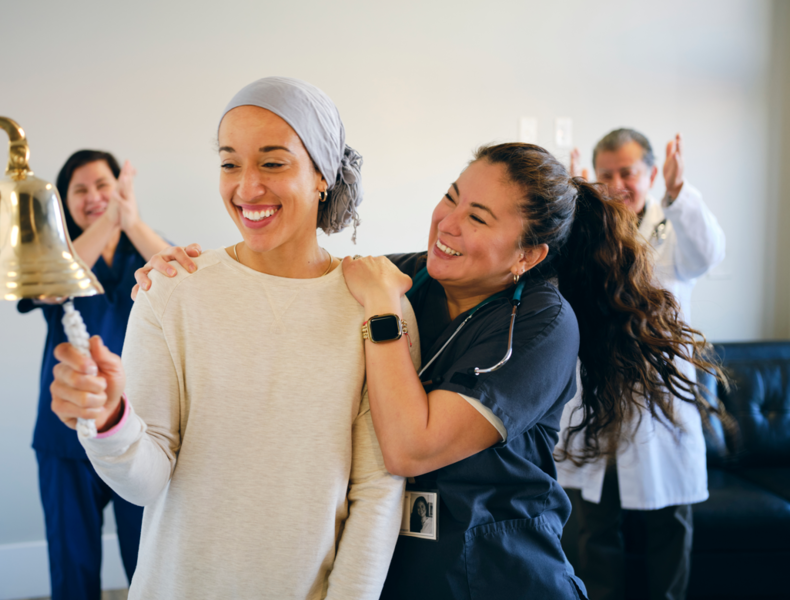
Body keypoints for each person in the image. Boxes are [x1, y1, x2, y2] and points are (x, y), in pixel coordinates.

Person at [137, 142, 719, 599]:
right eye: (451, 195)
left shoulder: (543, 324)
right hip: (403, 569)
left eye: (479, 217)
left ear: (527, 256)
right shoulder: (411, 275)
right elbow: (294, 279)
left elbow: (410, 447)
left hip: (498, 574)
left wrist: (385, 313)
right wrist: (182, 270)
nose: (448, 222)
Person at [48, 77, 417, 599]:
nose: (246, 188)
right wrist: (109, 421)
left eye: (272, 163)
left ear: (322, 175)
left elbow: (376, 492)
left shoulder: (374, 304)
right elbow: (145, 481)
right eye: (229, 163)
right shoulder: (172, 290)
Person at [559, 129, 726, 600]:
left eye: (627, 172)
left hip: (659, 406)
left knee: (668, 530)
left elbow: (711, 252)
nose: (617, 184)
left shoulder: (674, 230)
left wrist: (678, 193)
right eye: (605, 175)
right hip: (598, 401)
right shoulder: (586, 232)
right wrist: (574, 202)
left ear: (650, 173)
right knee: (594, 530)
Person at [17, 150, 170, 599]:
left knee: (147, 564)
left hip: (134, 433)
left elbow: (189, 280)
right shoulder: (56, 256)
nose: (94, 196)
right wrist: (110, 219)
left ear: (121, 190)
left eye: (103, 185)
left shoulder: (142, 248)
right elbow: (47, 286)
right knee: (72, 567)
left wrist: (130, 220)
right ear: (65, 202)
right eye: (80, 190)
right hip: (65, 434)